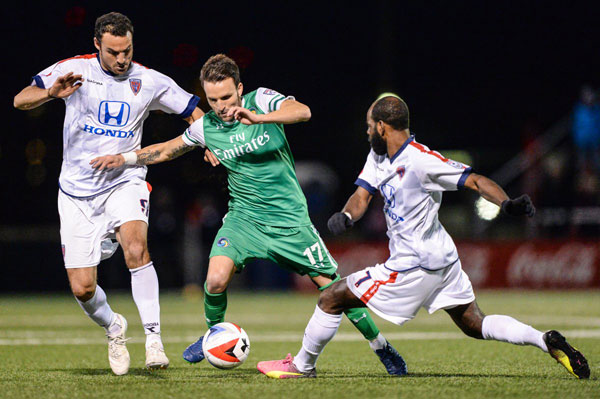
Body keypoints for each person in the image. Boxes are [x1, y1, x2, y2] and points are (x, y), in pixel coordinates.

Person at [90, 54, 407, 375]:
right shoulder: (207, 127)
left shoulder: (263, 100)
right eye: (213, 100)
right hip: (244, 220)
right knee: (214, 280)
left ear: (240, 89)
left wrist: (258, 118)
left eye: (227, 97)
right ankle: (214, 333)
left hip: (290, 222)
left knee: (334, 289)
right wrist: (125, 158)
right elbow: (169, 148)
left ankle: (380, 345)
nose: (221, 106)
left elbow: (303, 112)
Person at [256, 95, 590, 379]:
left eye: (370, 125)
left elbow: (474, 180)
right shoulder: (378, 155)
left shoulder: (421, 160)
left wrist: (506, 203)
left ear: (383, 127)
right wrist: (346, 215)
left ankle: (302, 365)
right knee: (474, 323)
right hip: (443, 260)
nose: (367, 130)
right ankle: (543, 340)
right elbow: (361, 195)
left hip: (414, 265)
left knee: (332, 297)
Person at [13, 12, 205, 375]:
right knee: (83, 288)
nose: (122, 59)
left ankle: (154, 340)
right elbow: (20, 99)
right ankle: (115, 328)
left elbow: (194, 111)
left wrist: (207, 141)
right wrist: (50, 93)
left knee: (136, 247)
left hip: (125, 179)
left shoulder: (149, 80)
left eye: (127, 50)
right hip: (75, 193)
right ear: (97, 45)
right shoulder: (74, 69)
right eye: (114, 51)